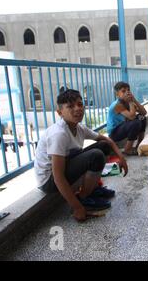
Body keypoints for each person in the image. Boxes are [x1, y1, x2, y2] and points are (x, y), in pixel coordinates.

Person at [35, 89, 128, 222]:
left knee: (103, 146)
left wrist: (122, 159)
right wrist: (77, 207)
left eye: (80, 104)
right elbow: (58, 177)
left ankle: (92, 189)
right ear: (60, 112)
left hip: (64, 169)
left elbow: (107, 140)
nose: (77, 109)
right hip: (49, 181)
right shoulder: (59, 134)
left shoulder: (79, 127)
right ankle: (83, 199)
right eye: (71, 106)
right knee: (96, 156)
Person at [107, 82, 147, 156]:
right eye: (123, 91)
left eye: (128, 90)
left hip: (123, 127)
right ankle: (127, 149)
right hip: (114, 133)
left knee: (142, 118)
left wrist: (134, 99)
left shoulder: (126, 102)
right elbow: (132, 117)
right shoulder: (117, 105)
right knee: (136, 122)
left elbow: (144, 112)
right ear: (117, 94)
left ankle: (139, 144)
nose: (127, 93)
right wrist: (131, 101)